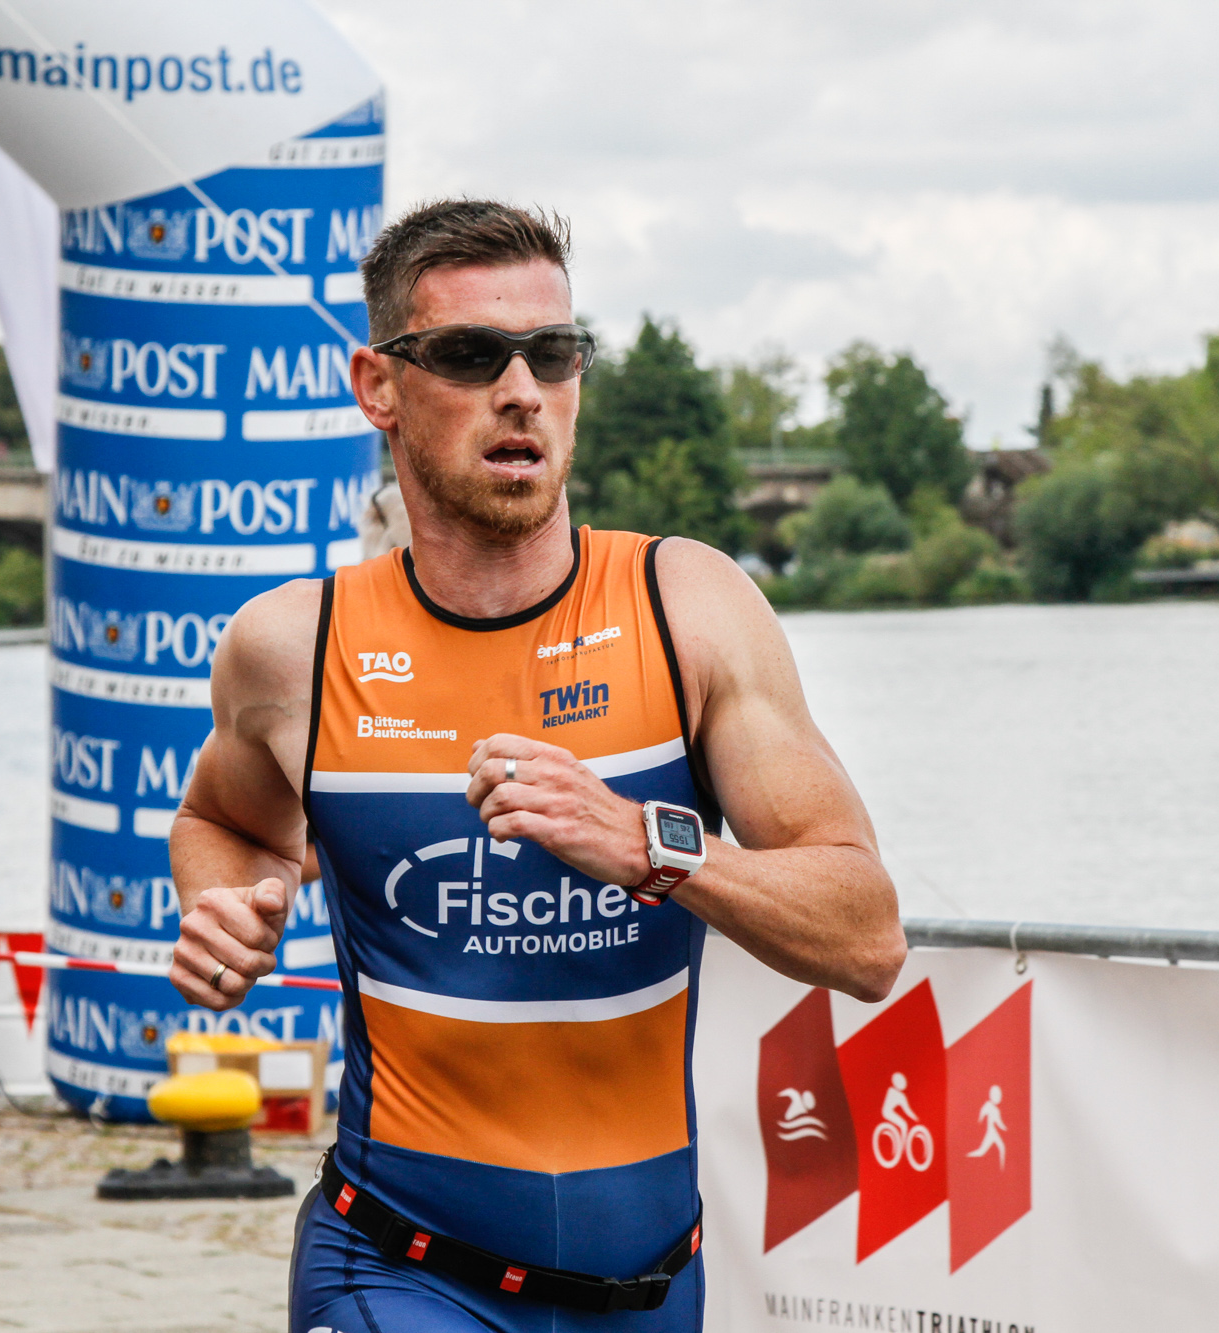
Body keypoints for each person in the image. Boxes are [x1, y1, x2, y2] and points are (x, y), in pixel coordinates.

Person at [167, 199, 907, 1333]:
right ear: (377, 386)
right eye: (471, 355)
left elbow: (865, 936)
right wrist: (228, 907)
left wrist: (647, 844)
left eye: (553, 353)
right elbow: (225, 823)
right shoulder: (293, 647)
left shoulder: (687, 608)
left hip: (650, 1288)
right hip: (397, 1272)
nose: (521, 390)